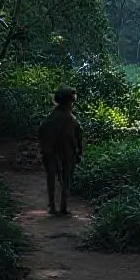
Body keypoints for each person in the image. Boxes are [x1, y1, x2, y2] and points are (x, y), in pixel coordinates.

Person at [38, 87, 83, 215]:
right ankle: (63, 206)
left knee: (52, 177)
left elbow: (41, 133)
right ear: (68, 101)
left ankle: (53, 205)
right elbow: (78, 136)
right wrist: (79, 151)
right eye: (72, 102)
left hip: (51, 151)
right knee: (66, 178)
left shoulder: (50, 118)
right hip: (65, 152)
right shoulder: (70, 119)